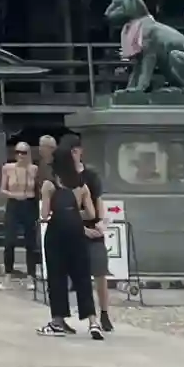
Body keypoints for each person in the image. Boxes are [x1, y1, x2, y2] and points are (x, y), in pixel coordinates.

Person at [39, 139, 98, 337]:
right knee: (82, 275)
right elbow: (91, 214)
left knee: (57, 276)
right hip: (77, 232)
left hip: (56, 232)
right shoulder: (81, 186)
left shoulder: (49, 185)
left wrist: (61, 212)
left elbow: (44, 214)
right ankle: (93, 321)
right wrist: (73, 212)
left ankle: (58, 320)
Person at [63, 132, 114, 334]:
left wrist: (101, 222)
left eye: (74, 152)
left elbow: (98, 200)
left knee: (100, 272)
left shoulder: (91, 176)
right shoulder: (63, 177)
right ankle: (70, 314)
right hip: (73, 228)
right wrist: (81, 228)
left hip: (93, 228)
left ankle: (104, 312)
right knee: (74, 274)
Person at [0, 140, 41, 292]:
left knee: (30, 242)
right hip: (14, 204)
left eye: (24, 153)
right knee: (9, 241)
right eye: (18, 152)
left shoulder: (34, 169)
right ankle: (7, 276)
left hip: (29, 204)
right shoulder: (8, 168)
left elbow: (37, 189)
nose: (20, 156)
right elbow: (2, 190)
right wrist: (14, 195)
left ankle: (31, 276)